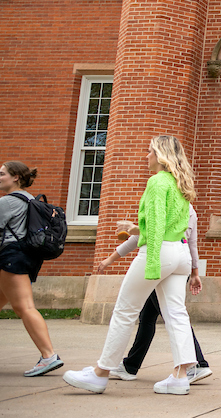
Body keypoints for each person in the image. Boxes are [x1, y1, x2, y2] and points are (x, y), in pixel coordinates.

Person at [63, 136, 200, 395]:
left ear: (160, 156)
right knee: (176, 314)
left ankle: (100, 373)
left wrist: (151, 264)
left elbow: (158, 225)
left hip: (160, 252)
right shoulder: (180, 183)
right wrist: (135, 228)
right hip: (180, 254)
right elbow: (172, 227)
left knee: (125, 311)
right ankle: (181, 376)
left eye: (149, 151)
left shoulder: (157, 182)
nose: (145, 155)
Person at [96, 207, 211, 383]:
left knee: (173, 316)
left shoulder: (165, 200)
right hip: (180, 262)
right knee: (149, 317)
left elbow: (141, 236)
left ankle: (198, 364)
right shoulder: (190, 209)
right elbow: (191, 243)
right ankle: (130, 366)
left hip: (160, 265)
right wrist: (195, 272)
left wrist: (110, 259)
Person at [0, 161, 63, 377]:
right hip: (25, 256)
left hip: (11, 257)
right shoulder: (30, 199)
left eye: (2, 174)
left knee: (25, 307)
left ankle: (48, 356)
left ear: (15, 177)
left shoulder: (8, 202)